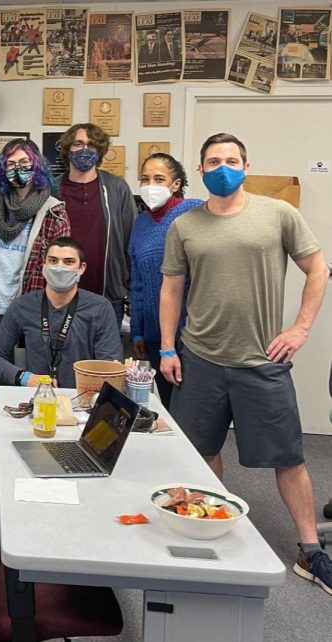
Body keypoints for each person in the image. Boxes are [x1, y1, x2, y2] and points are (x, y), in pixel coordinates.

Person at [160, 133, 331, 596]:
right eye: (213, 161)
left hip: (261, 362)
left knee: (289, 458)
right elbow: (171, 289)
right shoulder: (185, 225)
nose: (222, 167)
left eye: (231, 160)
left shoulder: (277, 214)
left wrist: (299, 329)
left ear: (246, 166)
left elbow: (319, 269)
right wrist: (167, 348)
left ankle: (311, 551)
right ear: (200, 170)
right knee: (200, 452)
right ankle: (210, 528)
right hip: (200, 360)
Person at [0, 138, 70, 454]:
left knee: (31, 388)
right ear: (2, 169)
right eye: (11, 164)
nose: (18, 170)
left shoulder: (53, 211)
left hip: (32, 317)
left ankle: (27, 452)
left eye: (25, 163)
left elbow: (60, 268)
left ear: (37, 167)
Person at [0, 237, 122, 389]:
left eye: (68, 262)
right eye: (53, 260)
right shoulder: (23, 306)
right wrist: (25, 378)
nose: (59, 267)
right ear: (44, 265)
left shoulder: (100, 308)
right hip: (36, 397)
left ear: (82, 268)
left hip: (82, 400)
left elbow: (110, 366)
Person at [128, 153, 202, 407]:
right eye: (145, 179)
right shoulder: (140, 224)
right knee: (169, 407)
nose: (151, 185)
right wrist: (138, 331)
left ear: (176, 184)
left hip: (193, 336)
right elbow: (136, 282)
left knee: (193, 414)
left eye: (159, 178)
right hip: (155, 334)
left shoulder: (194, 212)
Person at [57, 123, 136, 329]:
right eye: (78, 144)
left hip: (108, 295)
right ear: (68, 148)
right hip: (60, 293)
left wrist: (127, 288)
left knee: (104, 358)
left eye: (92, 146)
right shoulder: (52, 189)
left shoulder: (117, 188)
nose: (85, 150)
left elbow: (130, 240)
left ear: (99, 151)